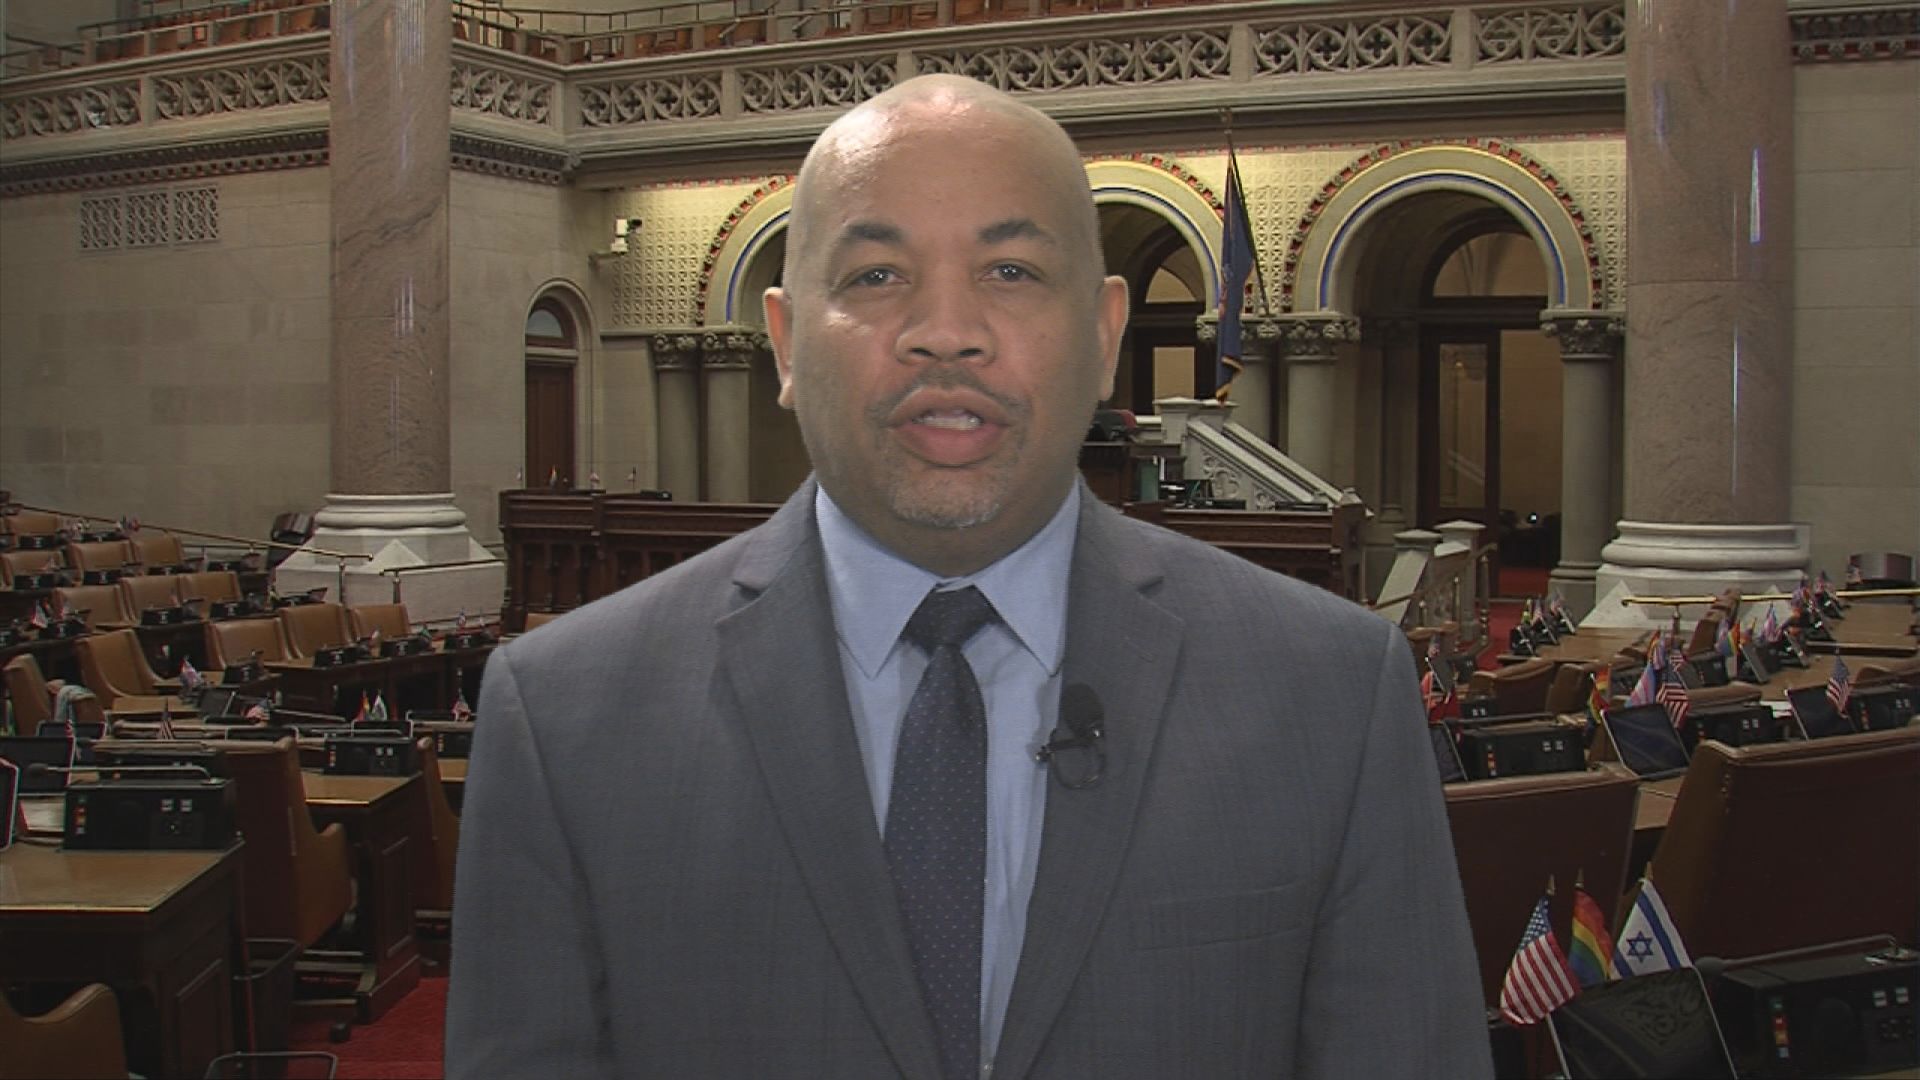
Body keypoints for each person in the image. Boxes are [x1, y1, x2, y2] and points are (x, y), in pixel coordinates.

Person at [447, 74, 1491, 1079]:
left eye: (1011, 272)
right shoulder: (565, 718)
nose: (945, 333)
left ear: (1104, 335)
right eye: (875, 275)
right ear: (786, 343)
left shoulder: (1332, 696)